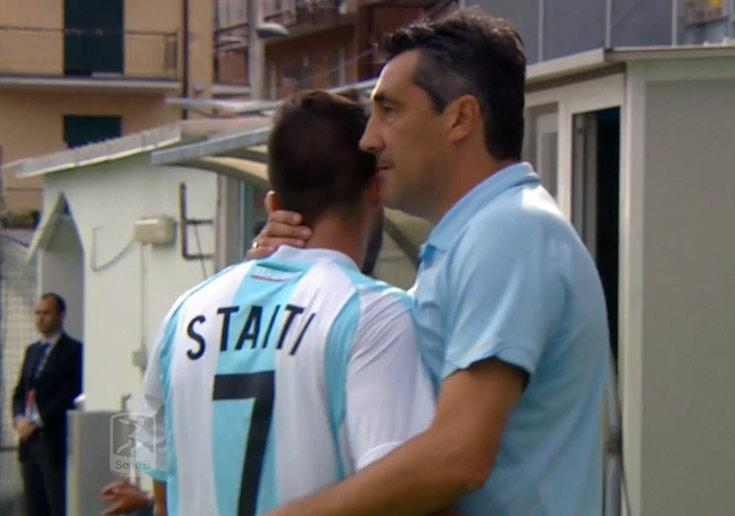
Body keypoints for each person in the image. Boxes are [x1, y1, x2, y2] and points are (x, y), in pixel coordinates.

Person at [255, 8, 610, 516]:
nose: (369, 139)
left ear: (461, 118)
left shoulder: (509, 231)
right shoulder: (470, 240)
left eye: (389, 110)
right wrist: (279, 275)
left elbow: (458, 456)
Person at [137, 90, 435, 516]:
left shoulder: (182, 315)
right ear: (375, 189)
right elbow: (403, 495)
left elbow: (158, 481)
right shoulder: (376, 315)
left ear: (273, 203)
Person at [11, 293, 83, 516]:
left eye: (47, 313)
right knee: (33, 505)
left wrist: (37, 421)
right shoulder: (32, 351)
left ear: (61, 316)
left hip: (52, 442)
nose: (41, 318)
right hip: (29, 444)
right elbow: (20, 391)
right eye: (38, 313)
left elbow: (68, 394)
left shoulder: (73, 351)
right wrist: (19, 419)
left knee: (56, 503)